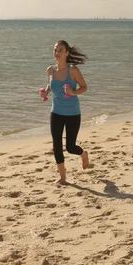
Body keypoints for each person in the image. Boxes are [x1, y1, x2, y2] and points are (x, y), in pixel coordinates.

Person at [39, 40, 90, 184]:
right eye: (55, 50)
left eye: (61, 50)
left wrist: (73, 92)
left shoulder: (73, 70)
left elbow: (84, 87)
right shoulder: (50, 70)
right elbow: (50, 86)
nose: (57, 52)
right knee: (56, 145)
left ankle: (83, 154)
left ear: (67, 53)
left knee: (70, 147)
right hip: (56, 112)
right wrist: (45, 93)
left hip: (73, 113)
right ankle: (63, 177)